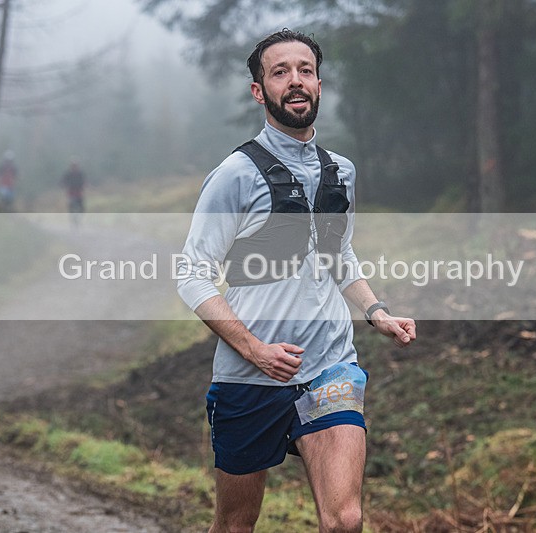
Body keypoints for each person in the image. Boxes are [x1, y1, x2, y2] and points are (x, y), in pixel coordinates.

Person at [176, 29, 416, 533]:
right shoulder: (235, 174)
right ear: (259, 91)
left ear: (320, 84)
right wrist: (253, 348)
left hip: (330, 366)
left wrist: (376, 312)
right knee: (235, 524)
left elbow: (339, 254)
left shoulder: (341, 171)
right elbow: (192, 274)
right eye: (280, 72)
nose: (295, 81)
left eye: (304, 70)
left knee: (345, 521)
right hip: (250, 378)